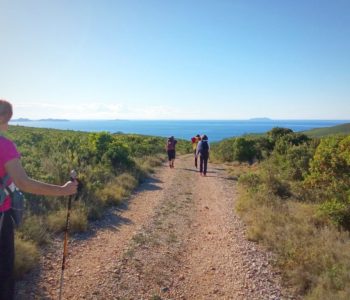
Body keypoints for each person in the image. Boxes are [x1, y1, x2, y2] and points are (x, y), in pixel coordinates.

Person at [0, 99, 78, 300]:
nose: (8, 125)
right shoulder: (5, 146)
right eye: (7, 120)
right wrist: (63, 190)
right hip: (1, 219)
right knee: (4, 274)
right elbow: (24, 183)